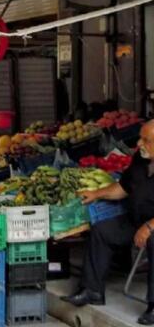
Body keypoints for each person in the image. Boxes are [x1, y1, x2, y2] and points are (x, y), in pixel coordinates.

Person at [62, 120, 154, 325]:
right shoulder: (140, 159)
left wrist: (149, 227)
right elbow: (122, 188)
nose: (139, 143)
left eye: (146, 140)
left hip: (152, 225)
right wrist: (96, 194)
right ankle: (92, 290)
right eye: (140, 137)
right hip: (137, 219)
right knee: (103, 229)